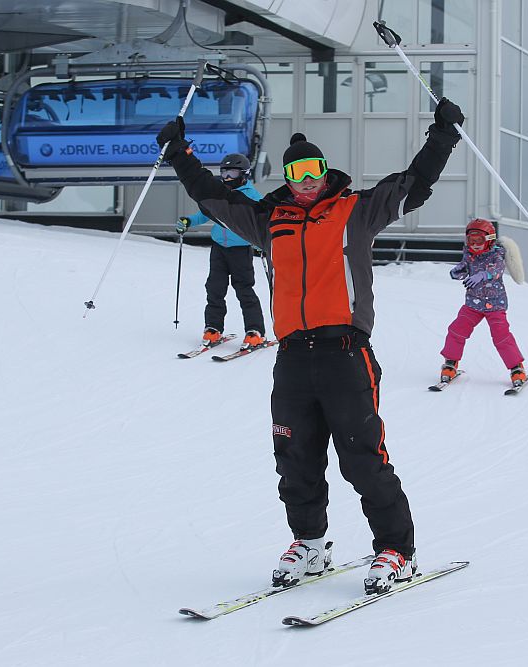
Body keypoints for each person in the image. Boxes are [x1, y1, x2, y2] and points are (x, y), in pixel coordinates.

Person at [156, 97, 465, 595]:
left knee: (362, 458)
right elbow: (212, 196)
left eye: (314, 169)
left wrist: (444, 133)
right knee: (294, 457)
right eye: (297, 170)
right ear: (287, 175)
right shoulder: (267, 220)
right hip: (293, 358)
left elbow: (416, 182)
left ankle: (395, 550)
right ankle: (310, 543)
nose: (306, 178)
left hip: (347, 353)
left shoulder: (357, 210)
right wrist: (178, 152)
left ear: (325, 171)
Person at [176, 153, 267, 350]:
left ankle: (255, 331)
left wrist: (261, 243)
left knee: (244, 290)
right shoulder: (220, 193)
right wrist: (189, 221)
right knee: (215, 289)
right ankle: (213, 328)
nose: (226, 178)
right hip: (219, 248)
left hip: (241, 250)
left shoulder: (252, 197)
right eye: (224, 173)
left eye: (232, 173)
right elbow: (205, 213)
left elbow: (259, 222)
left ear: (244, 174)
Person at [440, 218, 528, 388]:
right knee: (456, 330)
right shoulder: (469, 254)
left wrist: (483, 275)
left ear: (489, 239)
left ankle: (517, 368)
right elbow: (464, 267)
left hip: (495, 304)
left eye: (479, 240)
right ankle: (451, 363)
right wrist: (457, 272)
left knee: (501, 336)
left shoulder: (497, 254)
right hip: (473, 303)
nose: (475, 244)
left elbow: (496, 270)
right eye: (471, 240)